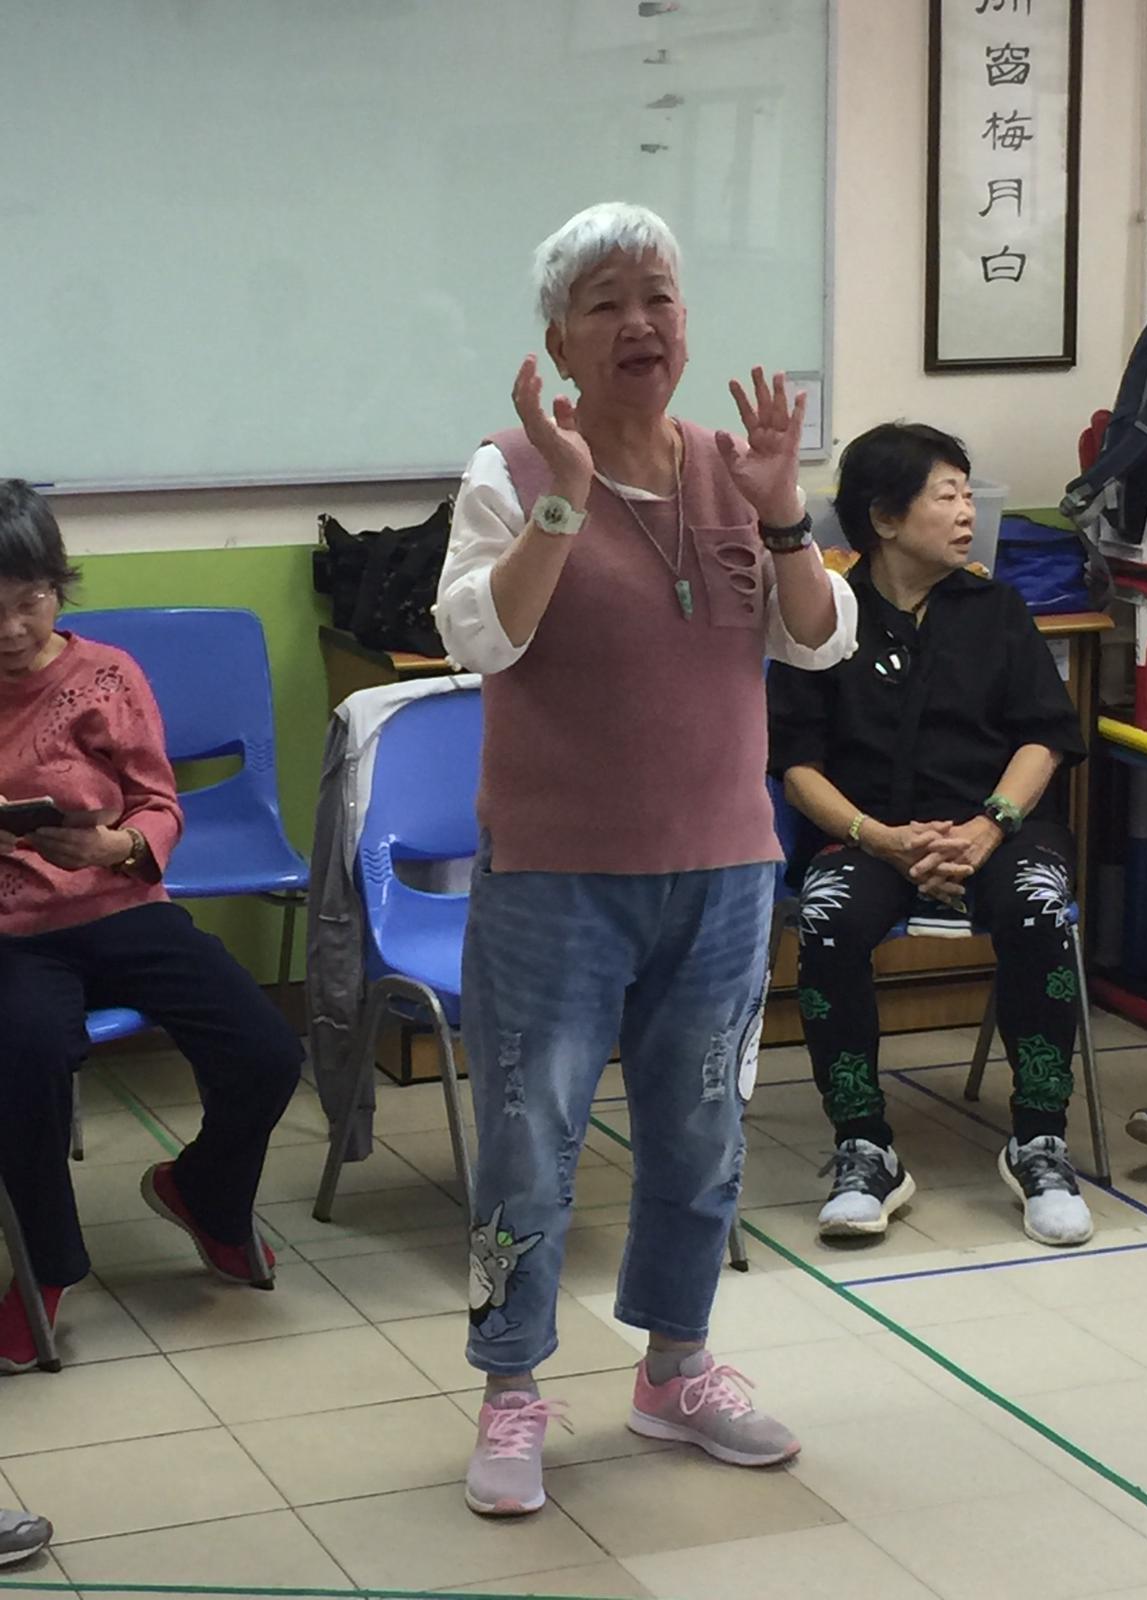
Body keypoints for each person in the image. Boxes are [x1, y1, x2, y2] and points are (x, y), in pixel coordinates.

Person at [436, 201, 857, 1516]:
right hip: (554, 875)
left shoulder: (739, 465)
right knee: (527, 1142)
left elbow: (819, 638)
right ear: (560, 338)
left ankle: (677, 1368)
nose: (640, 322)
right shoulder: (511, 468)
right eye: (606, 301)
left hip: (724, 870)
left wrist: (785, 515)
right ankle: (510, 1387)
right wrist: (564, 500)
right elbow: (478, 638)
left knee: (703, 1129)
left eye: (659, 296)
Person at [0, 480, 305, 1373]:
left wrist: (118, 845)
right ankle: (45, 1268)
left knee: (265, 1050)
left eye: (29, 601)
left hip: (122, 906)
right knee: (23, 1061)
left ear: (58, 586)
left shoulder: (107, 675)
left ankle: (203, 1193)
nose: (11, 628)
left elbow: (159, 803)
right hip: (14, 931)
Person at [767, 423, 1094, 1250]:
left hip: (1001, 830)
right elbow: (795, 766)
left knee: (1036, 904)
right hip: (868, 834)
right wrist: (878, 837)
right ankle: (864, 1147)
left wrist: (990, 826)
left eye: (967, 495)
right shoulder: (822, 618)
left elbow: (1045, 737)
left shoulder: (998, 610)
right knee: (828, 918)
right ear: (884, 518)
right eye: (946, 496)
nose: (965, 513)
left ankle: (1040, 1140)